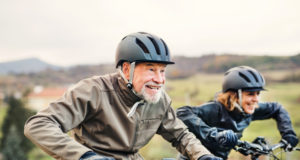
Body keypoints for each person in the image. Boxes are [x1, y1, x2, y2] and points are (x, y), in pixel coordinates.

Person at [24, 32, 222, 160]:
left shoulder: (159, 99)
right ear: (127, 69)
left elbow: (180, 135)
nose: (160, 79)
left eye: (162, 71)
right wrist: (86, 157)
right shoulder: (93, 91)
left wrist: (203, 156)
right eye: (151, 70)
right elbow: (38, 125)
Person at [176, 66, 299, 159]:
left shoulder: (250, 110)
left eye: (258, 93)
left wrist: (288, 134)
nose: (256, 99)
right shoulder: (215, 109)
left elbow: (277, 108)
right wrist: (214, 135)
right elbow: (182, 112)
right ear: (234, 95)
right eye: (250, 94)